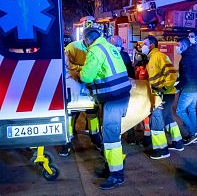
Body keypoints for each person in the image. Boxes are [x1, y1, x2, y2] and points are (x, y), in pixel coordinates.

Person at [80, 28, 131, 190]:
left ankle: (117, 175)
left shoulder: (95, 50)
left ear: (88, 40)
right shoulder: (108, 46)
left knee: (111, 137)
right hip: (121, 95)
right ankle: (110, 167)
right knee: (109, 133)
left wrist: (80, 71)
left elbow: (86, 76)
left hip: (113, 98)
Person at [142, 35, 184, 159]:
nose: (142, 46)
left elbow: (172, 75)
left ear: (151, 45)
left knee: (156, 120)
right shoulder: (153, 58)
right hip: (165, 94)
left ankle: (161, 150)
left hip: (163, 94)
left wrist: (163, 89)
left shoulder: (158, 57)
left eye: (145, 44)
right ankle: (178, 142)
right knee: (167, 118)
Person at [59, 40, 102, 157]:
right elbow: (66, 64)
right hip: (74, 84)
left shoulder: (95, 49)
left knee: (91, 112)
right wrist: (80, 68)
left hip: (87, 84)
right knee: (71, 113)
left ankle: (95, 137)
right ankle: (67, 141)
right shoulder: (71, 48)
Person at [175, 38, 197, 146]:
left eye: (179, 45)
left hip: (188, 89)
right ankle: (193, 133)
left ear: (184, 46)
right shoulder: (193, 55)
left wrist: (178, 88)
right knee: (191, 109)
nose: (177, 47)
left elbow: (184, 77)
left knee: (180, 111)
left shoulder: (185, 59)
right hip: (196, 87)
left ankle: (193, 133)